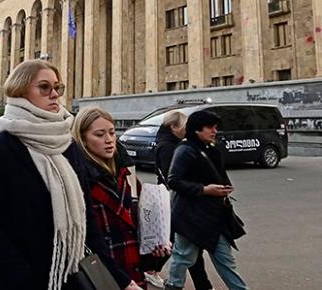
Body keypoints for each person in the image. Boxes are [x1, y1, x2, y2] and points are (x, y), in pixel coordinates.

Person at [0, 60, 87, 290]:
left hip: (67, 276)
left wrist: (118, 277)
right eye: (44, 87)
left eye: (57, 87)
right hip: (14, 282)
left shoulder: (68, 146)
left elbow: (88, 215)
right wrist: (20, 276)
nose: (54, 94)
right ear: (20, 91)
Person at [73, 107, 169, 290]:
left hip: (132, 271)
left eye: (112, 132)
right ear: (83, 139)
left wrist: (155, 249)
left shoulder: (126, 175)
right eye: (100, 134)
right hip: (101, 277)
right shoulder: (78, 180)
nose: (109, 140)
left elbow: (137, 229)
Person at [165, 110, 248, 290]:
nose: (214, 131)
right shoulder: (185, 150)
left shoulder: (210, 149)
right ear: (197, 129)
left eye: (216, 127)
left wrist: (224, 188)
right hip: (190, 218)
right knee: (183, 257)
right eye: (210, 127)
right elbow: (173, 181)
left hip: (214, 216)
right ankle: (173, 286)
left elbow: (218, 176)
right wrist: (205, 190)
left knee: (225, 260)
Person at [153, 111, 213, 290]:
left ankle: (202, 285)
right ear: (173, 127)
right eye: (184, 126)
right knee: (183, 243)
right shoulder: (167, 146)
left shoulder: (173, 143)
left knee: (186, 244)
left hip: (177, 201)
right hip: (175, 201)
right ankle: (151, 269)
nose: (187, 130)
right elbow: (172, 177)